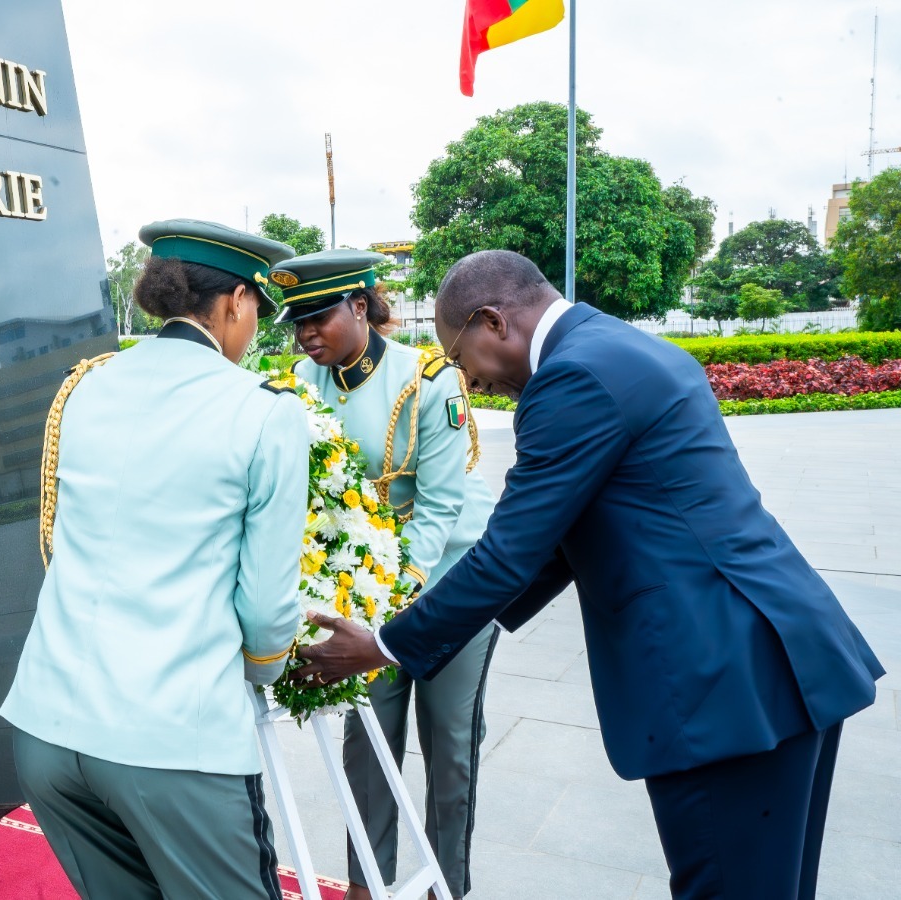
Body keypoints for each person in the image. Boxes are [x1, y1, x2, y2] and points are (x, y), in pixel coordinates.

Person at [293, 250, 885, 900]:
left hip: (728, 684)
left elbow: (511, 551)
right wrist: (448, 622)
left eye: (463, 359)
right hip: (776, 658)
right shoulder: (614, 346)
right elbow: (550, 551)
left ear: (494, 322)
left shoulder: (572, 379)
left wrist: (383, 645)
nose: (475, 383)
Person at [0, 219, 304, 900]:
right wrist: (269, 667)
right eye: (257, 309)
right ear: (234, 303)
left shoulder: (83, 387)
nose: (253, 328)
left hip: (48, 729)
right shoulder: (262, 411)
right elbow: (262, 609)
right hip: (172, 738)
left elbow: (57, 538)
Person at [274, 249, 496, 899]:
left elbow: (440, 505)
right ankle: (368, 885)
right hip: (364, 588)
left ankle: (446, 888)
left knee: (451, 747)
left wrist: (395, 604)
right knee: (366, 748)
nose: (306, 335)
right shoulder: (301, 385)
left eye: (318, 318)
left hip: (450, 580)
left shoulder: (428, 380)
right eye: (296, 323)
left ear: (362, 307)